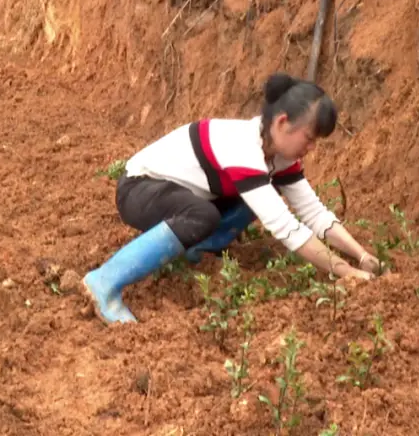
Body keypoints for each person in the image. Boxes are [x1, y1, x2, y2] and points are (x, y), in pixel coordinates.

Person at [83, 73, 383, 324]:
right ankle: (105, 282)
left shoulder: (278, 158)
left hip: (182, 195)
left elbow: (313, 213)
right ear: (281, 123)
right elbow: (286, 228)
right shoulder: (243, 148)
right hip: (139, 190)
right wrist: (346, 273)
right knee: (203, 216)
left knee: (260, 194)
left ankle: (193, 250)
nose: (311, 148)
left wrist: (360, 255)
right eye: (309, 138)